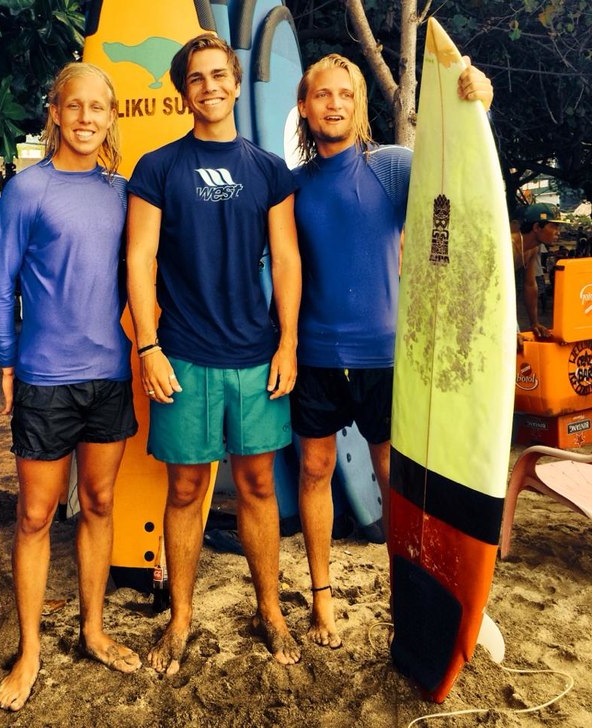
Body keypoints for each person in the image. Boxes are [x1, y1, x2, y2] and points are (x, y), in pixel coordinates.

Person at [289, 53, 494, 649]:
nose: (334, 104)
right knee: (314, 470)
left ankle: (411, 596)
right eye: (322, 94)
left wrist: (477, 105)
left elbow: (455, 182)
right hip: (315, 357)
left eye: (345, 94)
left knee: (393, 478)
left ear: (358, 104)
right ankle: (322, 599)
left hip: (384, 356)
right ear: (304, 107)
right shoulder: (293, 185)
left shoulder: (393, 167)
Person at [126, 34, 302, 675]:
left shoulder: (269, 170)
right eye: (196, 78)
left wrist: (288, 342)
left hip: (255, 354)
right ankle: (180, 618)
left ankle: (270, 611)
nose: (210, 87)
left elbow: (286, 259)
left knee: (257, 485)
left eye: (219, 75)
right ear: (184, 91)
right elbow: (139, 259)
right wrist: (148, 345)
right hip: (183, 354)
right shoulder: (157, 167)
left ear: (234, 81)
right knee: (186, 488)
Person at [0, 62, 141, 712]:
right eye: (74, 106)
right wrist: (7, 360)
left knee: (99, 504)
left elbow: (145, 274)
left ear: (111, 116)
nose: (85, 118)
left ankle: (93, 630)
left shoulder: (124, 193)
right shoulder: (28, 190)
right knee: (35, 516)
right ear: (55, 112)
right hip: (45, 380)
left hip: (110, 377)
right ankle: (30, 652)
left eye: (98, 107)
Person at [512, 202, 567, 342]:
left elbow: (530, 285)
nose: (558, 232)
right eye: (554, 226)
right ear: (537, 227)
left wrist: (534, 323)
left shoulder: (533, 248)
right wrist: (508, 331)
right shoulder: (509, 246)